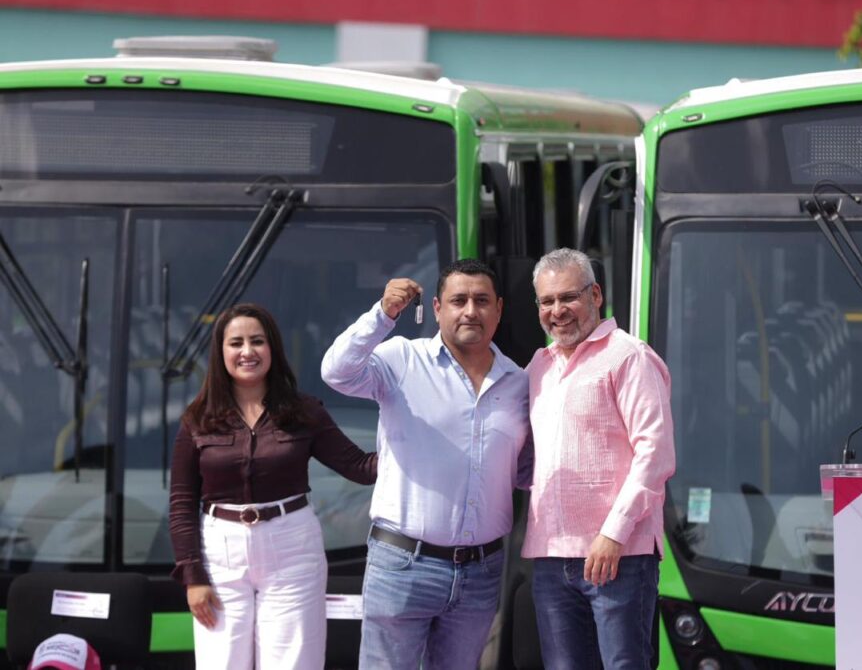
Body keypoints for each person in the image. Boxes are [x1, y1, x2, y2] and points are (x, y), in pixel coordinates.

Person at [321, 258, 531, 670]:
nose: (470, 310)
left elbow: (525, 470)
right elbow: (336, 372)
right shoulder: (402, 359)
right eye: (458, 300)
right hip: (403, 564)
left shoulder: (520, 382)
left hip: (481, 572)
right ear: (437, 308)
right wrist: (383, 315)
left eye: (481, 300)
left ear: (499, 309)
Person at [168, 303, 377, 670]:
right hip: (220, 554)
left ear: (273, 349)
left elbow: (360, 467)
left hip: (292, 549)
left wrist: (412, 439)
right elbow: (182, 501)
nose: (247, 351)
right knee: (220, 663)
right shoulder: (197, 419)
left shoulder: (304, 411)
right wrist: (192, 575)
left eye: (257, 341)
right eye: (236, 343)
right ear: (221, 353)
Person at [523, 248, 675, 669]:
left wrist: (613, 533)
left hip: (619, 556)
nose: (557, 311)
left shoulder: (629, 356)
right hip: (551, 557)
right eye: (547, 301)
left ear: (595, 295)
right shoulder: (539, 366)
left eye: (568, 297)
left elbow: (655, 453)